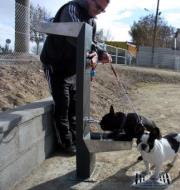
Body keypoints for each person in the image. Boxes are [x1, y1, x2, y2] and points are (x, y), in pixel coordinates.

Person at [40, 0, 112, 154]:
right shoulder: (71, 9)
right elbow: (75, 36)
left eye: (102, 10)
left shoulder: (92, 21)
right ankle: (66, 142)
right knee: (63, 104)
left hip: (73, 68)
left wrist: (100, 54)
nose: (99, 11)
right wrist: (93, 53)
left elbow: (92, 42)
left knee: (74, 105)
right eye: (98, 6)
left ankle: (75, 139)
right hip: (55, 65)